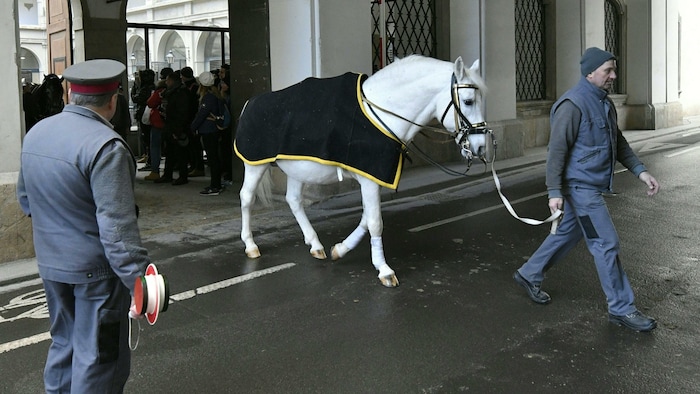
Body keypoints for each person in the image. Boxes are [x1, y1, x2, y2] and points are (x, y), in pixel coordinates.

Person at [16, 59, 150, 392]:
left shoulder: (37, 133)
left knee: (64, 344)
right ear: (113, 100)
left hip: (51, 264)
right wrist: (141, 281)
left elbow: (25, 199)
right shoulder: (107, 146)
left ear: (70, 95)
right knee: (99, 360)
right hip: (96, 273)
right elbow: (116, 228)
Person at [512, 47, 660, 332]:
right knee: (606, 243)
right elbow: (556, 152)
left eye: (614, 70)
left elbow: (619, 145)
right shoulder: (572, 105)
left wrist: (641, 172)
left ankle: (529, 273)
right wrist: (554, 191)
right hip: (580, 190)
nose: (613, 76)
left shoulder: (604, 103)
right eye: (608, 71)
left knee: (567, 233)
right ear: (590, 72)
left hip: (588, 186)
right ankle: (622, 308)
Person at [155, 70, 193, 185]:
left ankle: (183, 176)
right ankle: (168, 174)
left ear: (172, 81)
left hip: (178, 127)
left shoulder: (181, 93)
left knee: (181, 152)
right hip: (170, 125)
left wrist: (178, 130)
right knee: (169, 151)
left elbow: (182, 112)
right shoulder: (171, 92)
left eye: (167, 80)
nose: (165, 82)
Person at [191, 71, 223, 195]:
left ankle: (215, 186)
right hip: (213, 130)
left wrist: (193, 127)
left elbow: (202, 114)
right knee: (214, 157)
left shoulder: (208, 97)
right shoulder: (215, 95)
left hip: (209, 131)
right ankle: (216, 184)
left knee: (213, 158)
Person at [181, 66, 205, 177]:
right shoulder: (193, 86)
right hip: (191, 118)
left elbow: (191, 104)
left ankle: (197, 166)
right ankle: (195, 165)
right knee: (193, 145)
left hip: (191, 118)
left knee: (194, 145)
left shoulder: (191, 87)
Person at [130, 69, 156, 170]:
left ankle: (150, 161)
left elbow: (136, 99)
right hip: (149, 115)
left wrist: (134, 88)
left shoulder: (145, 88)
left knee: (147, 139)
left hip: (145, 115)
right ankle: (150, 159)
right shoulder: (153, 87)